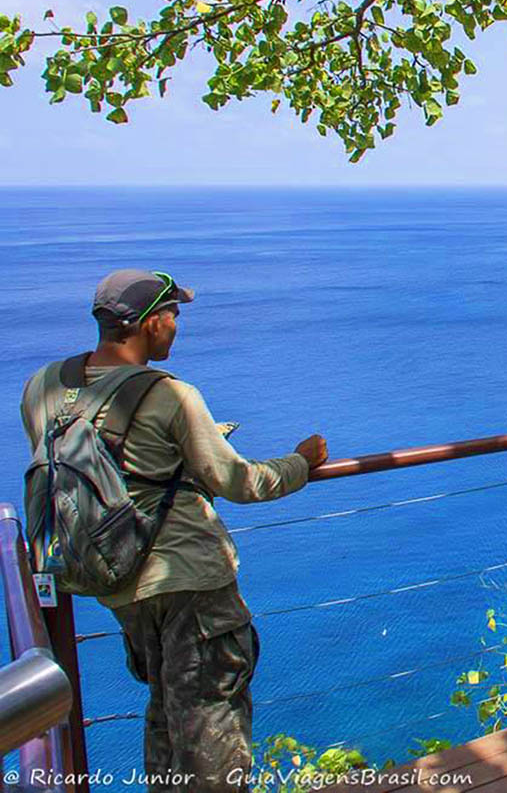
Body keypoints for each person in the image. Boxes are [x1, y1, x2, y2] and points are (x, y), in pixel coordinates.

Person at [20, 269, 328, 792]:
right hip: (191, 584)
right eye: (174, 316)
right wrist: (301, 462)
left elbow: (104, 469)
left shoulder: (44, 387)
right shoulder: (169, 394)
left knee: (165, 715)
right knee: (212, 730)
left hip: (116, 582)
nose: (177, 328)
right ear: (151, 322)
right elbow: (241, 482)